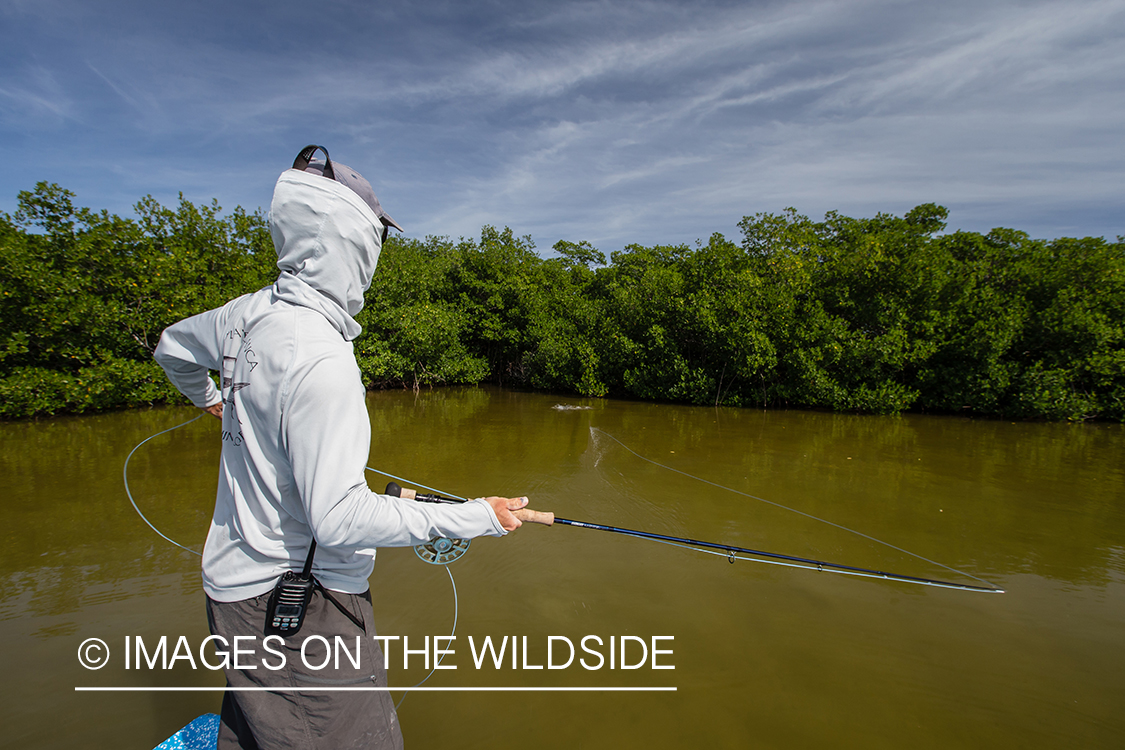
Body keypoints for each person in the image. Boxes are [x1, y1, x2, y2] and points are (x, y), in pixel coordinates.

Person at [154, 145, 528, 749]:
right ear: (352, 241)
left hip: (235, 592)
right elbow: (340, 520)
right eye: (377, 236)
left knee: (259, 728)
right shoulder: (322, 361)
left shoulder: (242, 316)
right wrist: (478, 516)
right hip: (300, 612)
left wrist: (208, 399)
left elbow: (171, 347)